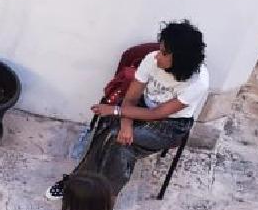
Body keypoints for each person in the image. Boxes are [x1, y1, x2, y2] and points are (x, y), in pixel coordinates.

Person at [48, 20, 209, 198]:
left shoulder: (198, 82)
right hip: (141, 107)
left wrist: (116, 112)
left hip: (170, 125)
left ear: (180, 59)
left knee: (116, 140)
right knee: (118, 140)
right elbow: (131, 98)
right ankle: (98, 200)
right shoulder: (151, 60)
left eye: (164, 53)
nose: (157, 56)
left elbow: (157, 114)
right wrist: (126, 125)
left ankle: (80, 187)